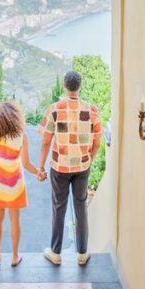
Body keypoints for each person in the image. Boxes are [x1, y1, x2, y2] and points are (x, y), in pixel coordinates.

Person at [37, 70, 102, 267]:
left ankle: (55, 252)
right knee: (81, 206)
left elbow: (46, 141)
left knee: (59, 206)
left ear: (65, 86)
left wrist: (40, 166)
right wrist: (89, 158)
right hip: (82, 165)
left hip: (60, 166)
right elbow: (97, 140)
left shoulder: (54, 109)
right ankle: (82, 253)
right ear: (79, 86)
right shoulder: (91, 110)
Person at [0, 101, 45, 267]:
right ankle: (14, 257)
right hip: (16, 184)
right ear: (16, 118)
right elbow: (26, 164)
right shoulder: (21, 137)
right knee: (15, 219)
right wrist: (38, 172)